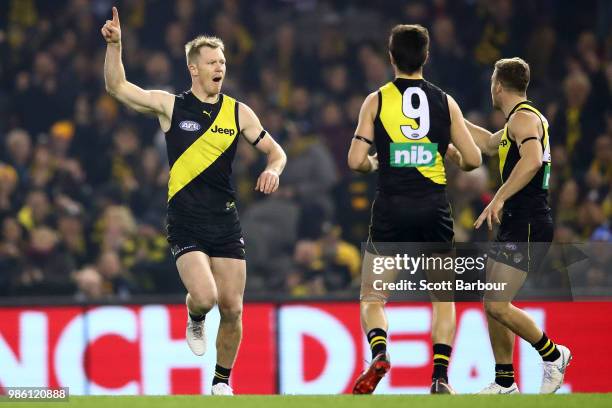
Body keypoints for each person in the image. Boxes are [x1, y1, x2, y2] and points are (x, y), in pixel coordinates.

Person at [101, 7, 287, 396]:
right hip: (185, 218)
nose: (220, 67)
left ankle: (221, 383)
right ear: (194, 69)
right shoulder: (171, 106)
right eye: (212, 62)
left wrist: (274, 169)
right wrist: (116, 46)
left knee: (234, 308)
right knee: (206, 296)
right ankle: (195, 314)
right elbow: (118, 88)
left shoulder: (238, 112)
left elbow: (277, 152)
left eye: (223, 61)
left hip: (225, 221)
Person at [347, 24, 482, 394]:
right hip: (434, 209)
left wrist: (376, 163)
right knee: (443, 298)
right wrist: (448, 153)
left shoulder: (375, 101)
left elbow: (355, 159)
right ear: (426, 56)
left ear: (391, 57)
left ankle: (379, 350)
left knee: (373, 297)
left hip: (391, 208)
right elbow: (472, 160)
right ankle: (439, 377)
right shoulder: (445, 101)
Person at [457, 57, 571, 394]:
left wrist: (498, 198)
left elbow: (533, 161)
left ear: (498, 85)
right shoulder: (515, 124)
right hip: (516, 223)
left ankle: (554, 355)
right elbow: (489, 145)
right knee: (491, 302)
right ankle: (505, 381)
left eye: (491, 82)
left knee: (496, 304)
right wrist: (451, 119)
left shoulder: (523, 119)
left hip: (528, 222)